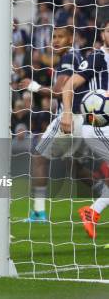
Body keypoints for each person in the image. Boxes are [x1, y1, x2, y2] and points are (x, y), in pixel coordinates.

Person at [19, 26, 86, 223]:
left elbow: (59, 91)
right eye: (53, 37)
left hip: (68, 117)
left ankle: (38, 212)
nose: (55, 41)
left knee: (39, 157)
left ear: (71, 38)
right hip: (83, 119)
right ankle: (104, 196)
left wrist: (33, 86)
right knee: (77, 168)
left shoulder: (68, 59)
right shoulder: (77, 57)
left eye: (61, 37)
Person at [60, 22, 109, 240]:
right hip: (97, 122)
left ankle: (92, 211)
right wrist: (67, 113)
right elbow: (68, 86)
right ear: (103, 34)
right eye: (108, 30)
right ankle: (93, 211)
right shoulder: (97, 57)